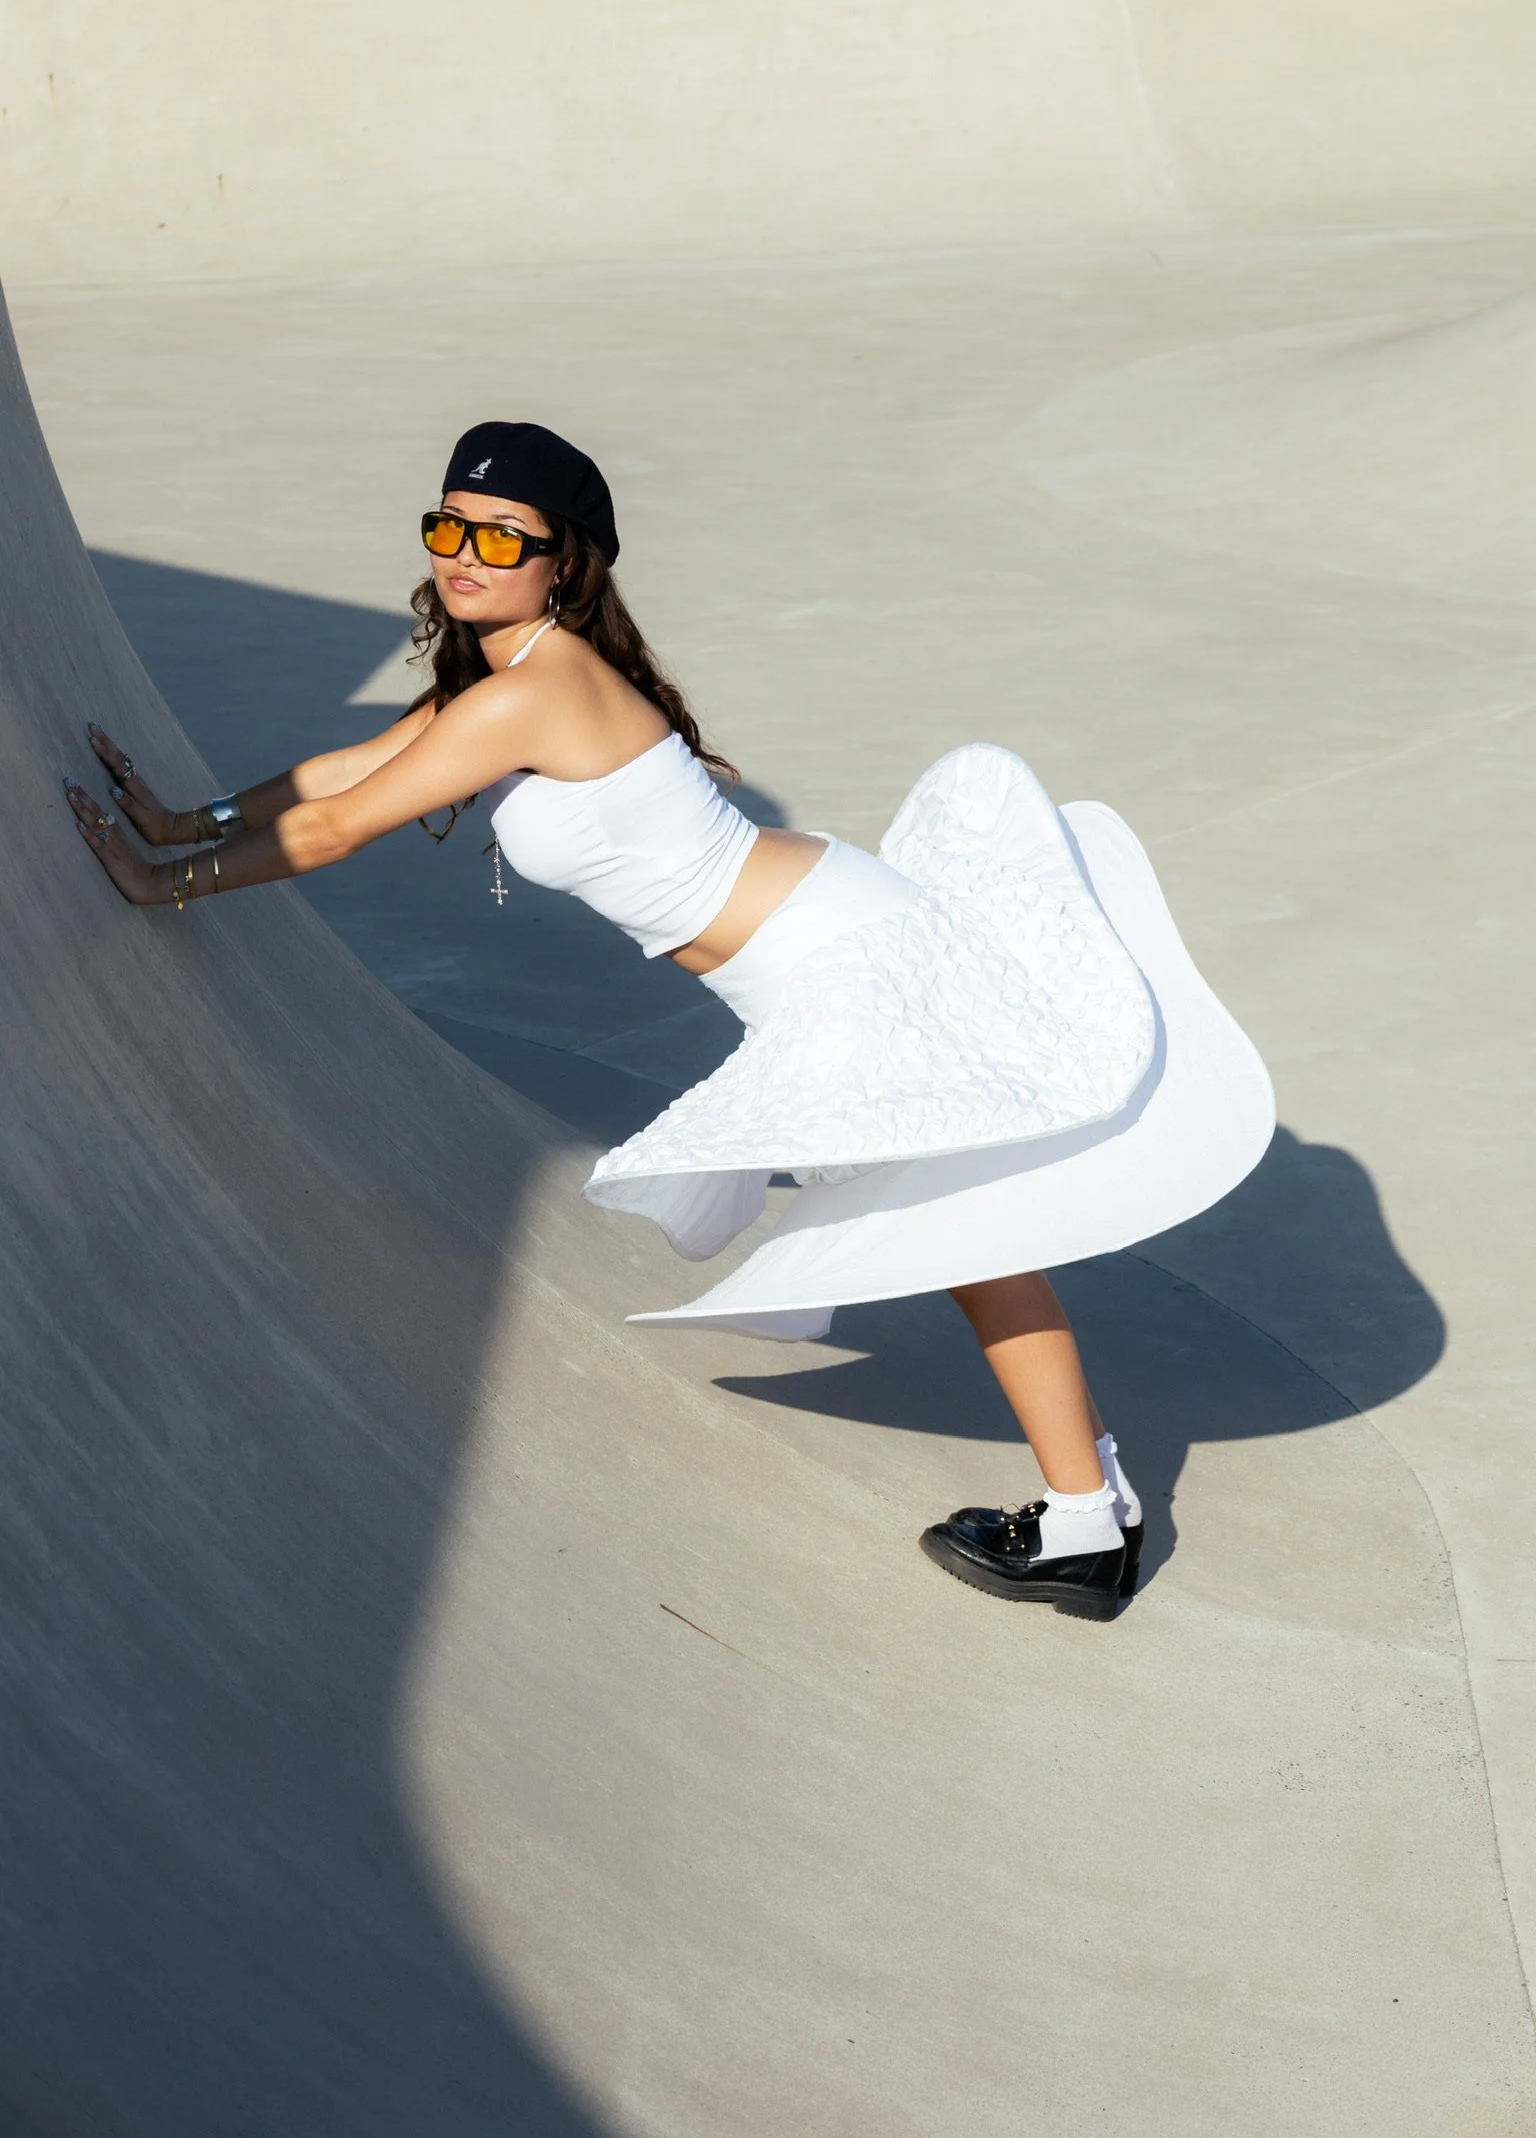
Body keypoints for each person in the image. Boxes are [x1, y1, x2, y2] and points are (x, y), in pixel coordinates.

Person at [69, 421, 1272, 1622]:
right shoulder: (510, 676)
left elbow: (339, 833)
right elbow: (346, 770)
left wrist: (154, 881)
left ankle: (1085, 1522)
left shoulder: (537, 690)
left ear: (565, 563)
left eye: (502, 536)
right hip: (818, 936)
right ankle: (1087, 1513)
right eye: (448, 527)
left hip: (839, 960)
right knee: (968, 1237)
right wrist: (187, 821)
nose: (466, 555)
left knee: (964, 1235)